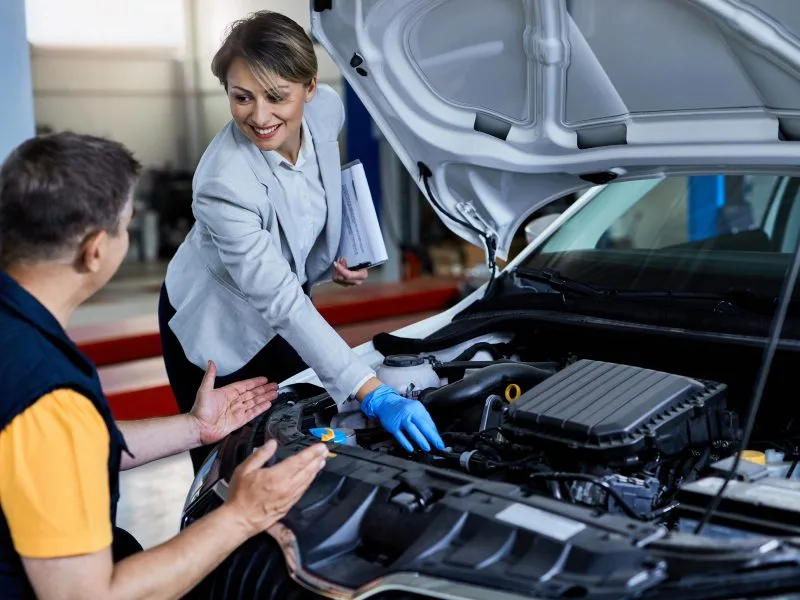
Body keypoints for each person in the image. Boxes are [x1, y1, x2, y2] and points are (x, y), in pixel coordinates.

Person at [0, 132, 330, 600]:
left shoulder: (16, 332)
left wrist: (193, 428)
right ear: (95, 250)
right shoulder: (47, 394)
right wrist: (240, 515)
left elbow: (48, 450)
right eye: (126, 226)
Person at [159, 10, 444, 472]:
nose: (260, 116)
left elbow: (304, 201)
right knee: (232, 464)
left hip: (284, 302)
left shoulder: (326, 110)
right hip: (217, 321)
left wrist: (332, 256)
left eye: (277, 96)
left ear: (310, 87)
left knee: (300, 436)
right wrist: (374, 393)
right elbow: (280, 300)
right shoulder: (222, 184)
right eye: (242, 97)